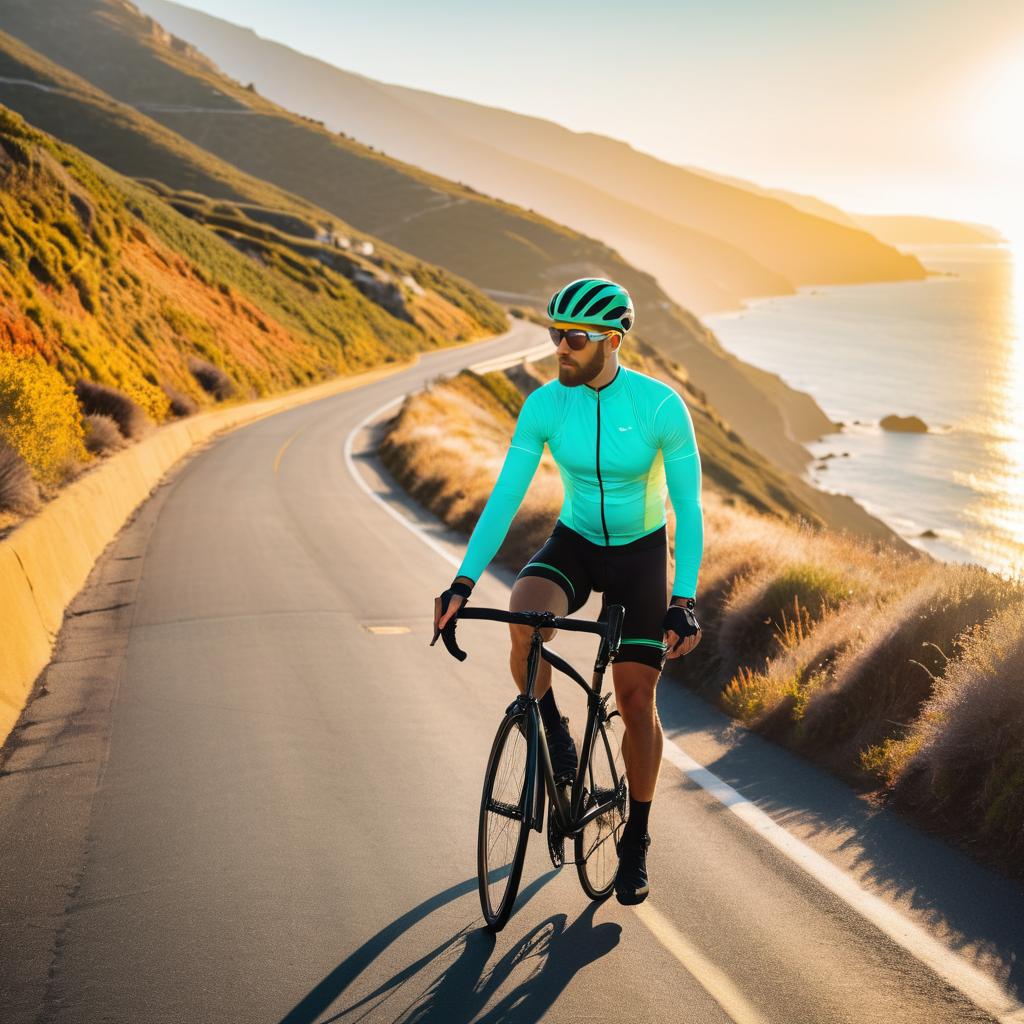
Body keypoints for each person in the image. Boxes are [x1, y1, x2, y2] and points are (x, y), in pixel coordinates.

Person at [433, 277, 703, 905]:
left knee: (635, 697)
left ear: (610, 340)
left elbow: (688, 509)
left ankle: (635, 836)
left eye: (573, 338)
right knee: (525, 619)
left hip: (639, 556)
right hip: (576, 542)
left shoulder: (659, 407)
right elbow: (506, 494)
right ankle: (551, 732)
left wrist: (683, 598)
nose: (559, 348)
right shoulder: (547, 405)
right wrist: (463, 581)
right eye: (554, 335)